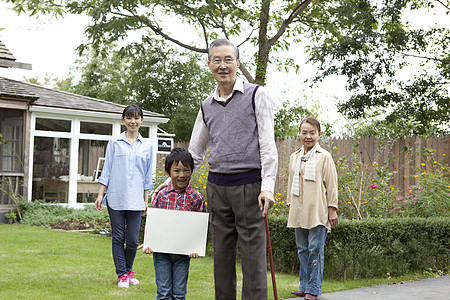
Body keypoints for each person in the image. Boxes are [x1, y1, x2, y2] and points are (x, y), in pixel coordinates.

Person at [154, 38, 278, 300]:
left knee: (253, 258)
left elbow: (268, 145)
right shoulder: (206, 105)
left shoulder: (257, 94)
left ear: (238, 63)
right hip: (217, 187)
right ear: (209, 64)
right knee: (221, 257)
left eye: (228, 60)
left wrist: (267, 187)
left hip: (250, 187)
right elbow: (195, 154)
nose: (223, 66)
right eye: (217, 60)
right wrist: (170, 180)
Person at [94, 104, 154, 288]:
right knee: (118, 237)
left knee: (133, 239)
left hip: (136, 199)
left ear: (141, 120)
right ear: (123, 120)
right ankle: (122, 274)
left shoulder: (148, 146)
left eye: (136, 118)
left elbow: (147, 175)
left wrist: (146, 200)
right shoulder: (114, 143)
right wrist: (100, 195)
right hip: (116, 197)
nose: (133, 121)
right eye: (129, 117)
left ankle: (128, 271)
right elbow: (108, 169)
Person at [141, 147, 206, 300]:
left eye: (186, 170)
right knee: (163, 293)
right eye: (177, 171)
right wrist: (148, 242)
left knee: (179, 294)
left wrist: (195, 247)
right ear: (168, 173)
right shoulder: (160, 195)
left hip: (183, 254)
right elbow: (153, 222)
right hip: (161, 253)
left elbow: (199, 228)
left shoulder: (196, 198)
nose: (182, 175)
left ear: (192, 171)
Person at [286, 117, 338, 300]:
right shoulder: (294, 157)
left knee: (315, 249)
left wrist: (332, 209)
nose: (308, 136)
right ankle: (303, 285)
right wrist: (289, 204)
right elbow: (291, 182)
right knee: (302, 249)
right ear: (299, 134)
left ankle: (313, 289)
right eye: (304, 132)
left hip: (317, 211)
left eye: (312, 133)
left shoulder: (324, 157)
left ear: (319, 134)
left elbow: (331, 185)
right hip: (299, 212)